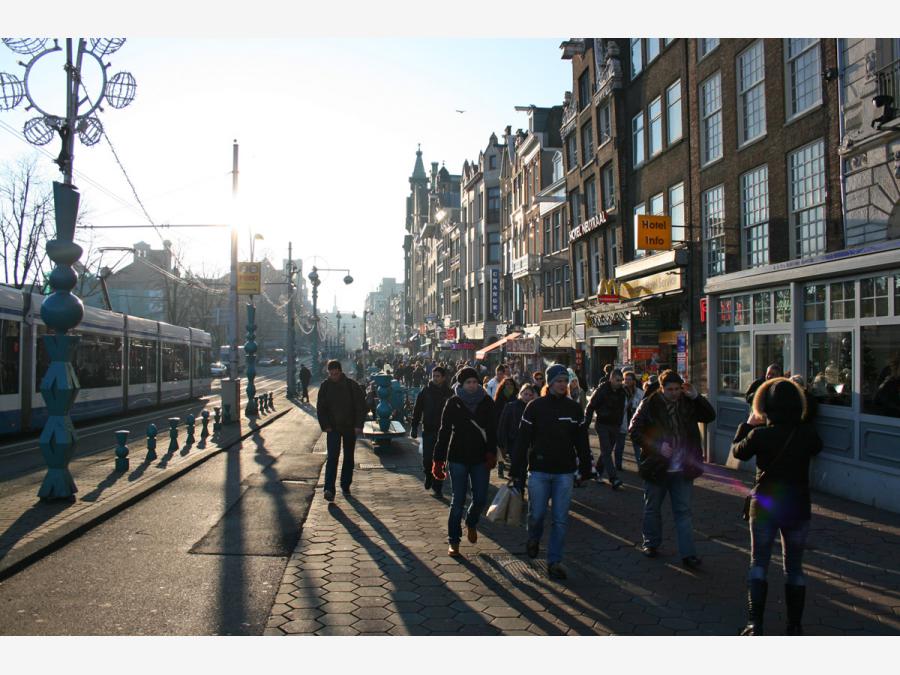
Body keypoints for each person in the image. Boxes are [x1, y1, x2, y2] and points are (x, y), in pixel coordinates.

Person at [731, 377, 823, 635]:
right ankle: (794, 626)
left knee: (758, 562)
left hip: (765, 505)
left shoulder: (761, 435)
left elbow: (738, 452)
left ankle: (754, 623)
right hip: (797, 505)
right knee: (794, 566)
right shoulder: (805, 434)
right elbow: (817, 446)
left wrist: (748, 423)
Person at [509, 364, 593, 580]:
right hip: (539, 470)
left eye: (565, 381)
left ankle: (554, 561)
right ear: (549, 382)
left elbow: (581, 441)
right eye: (558, 381)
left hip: (564, 472)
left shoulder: (574, 409)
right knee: (536, 514)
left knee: (560, 519)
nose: (562, 385)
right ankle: (534, 537)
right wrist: (516, 470)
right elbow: (522, 440)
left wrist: (585, 467)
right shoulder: (535, 407)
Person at [629, 370, 716, 568]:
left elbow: (710, 416)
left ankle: (688, 554)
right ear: (662, 389)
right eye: (670, 390)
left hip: (683, 467)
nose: (675, 393)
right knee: (652, 507)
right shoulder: (650, 403)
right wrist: (656, 446)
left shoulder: (688, 402)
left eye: (677, 389)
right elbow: (634, 430)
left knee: (683, 511)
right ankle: (651, 543)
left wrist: (696, 397)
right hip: (657, 466)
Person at [432, 367, 498, 557]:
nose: (472, 385)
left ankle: (471, 521)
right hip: (458, 457)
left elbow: (492, 430)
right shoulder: (453, 402)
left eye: (474, 382)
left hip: (480, 457)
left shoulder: (486, 402)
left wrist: (491, 452)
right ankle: (454, 541)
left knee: (480, 498)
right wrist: (438, 460)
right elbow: (444, 432)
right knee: (457, 500)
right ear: (461, 384)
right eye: (468, 382)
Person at [315, 359, 366, 502]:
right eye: (331, 374)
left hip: (349, 427)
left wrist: (358, 425)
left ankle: (345, 484)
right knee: (332, 457)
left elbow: (360, 406)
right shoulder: (325, 386)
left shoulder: (351, 385)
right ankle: (329, 489)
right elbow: (321, 408)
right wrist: (325, 425)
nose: (334, 377)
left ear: (340, 371)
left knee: (348, 457)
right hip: (333, 428)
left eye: (336, 374)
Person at [410, 366, 452, 497]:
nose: (435, 378)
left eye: (438, 376)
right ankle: (428, 474)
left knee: (440, 460)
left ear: (443, 377)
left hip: (444, 431)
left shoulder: (449, 393)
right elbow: (417, 410)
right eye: (433, 376)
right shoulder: (425, 391)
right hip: (428, 429)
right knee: (427, 458)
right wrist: (414, 426)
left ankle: (437, 486)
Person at [584, 368, 626, 490]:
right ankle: (614, 478)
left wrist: (619, 424)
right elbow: (590, 406)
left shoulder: (621, 392)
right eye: (618, 380)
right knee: (607, 451)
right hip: (602, 424)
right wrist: (586, 424)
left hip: (614, 425)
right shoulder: (602, 390)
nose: (620, 382)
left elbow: (621, 409)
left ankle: (597, 472)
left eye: (621, 380)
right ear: (611, 379)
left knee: (606, 451)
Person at [497, 383, 536, 477]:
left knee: (524, 468)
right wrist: (502, 444)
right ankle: (517, 486)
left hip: (529, 443)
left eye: (530, 395)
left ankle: (519, 487)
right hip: (514, 442)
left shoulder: (534, 408)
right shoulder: (511, 406)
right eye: (525, 394)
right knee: (518, 467)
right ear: (520, 393)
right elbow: (503, 425)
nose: (527, 397)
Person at [622, 370, 644, 467]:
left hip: (635, 420)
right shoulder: (620, 391)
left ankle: (641, 465)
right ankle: (618, 465)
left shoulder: (639, 392)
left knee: (636, 444)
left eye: (629, 379)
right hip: (623, 419)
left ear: (634, 380)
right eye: (625, 379)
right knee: (619, 444)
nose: (627, 381)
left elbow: (643, 405)